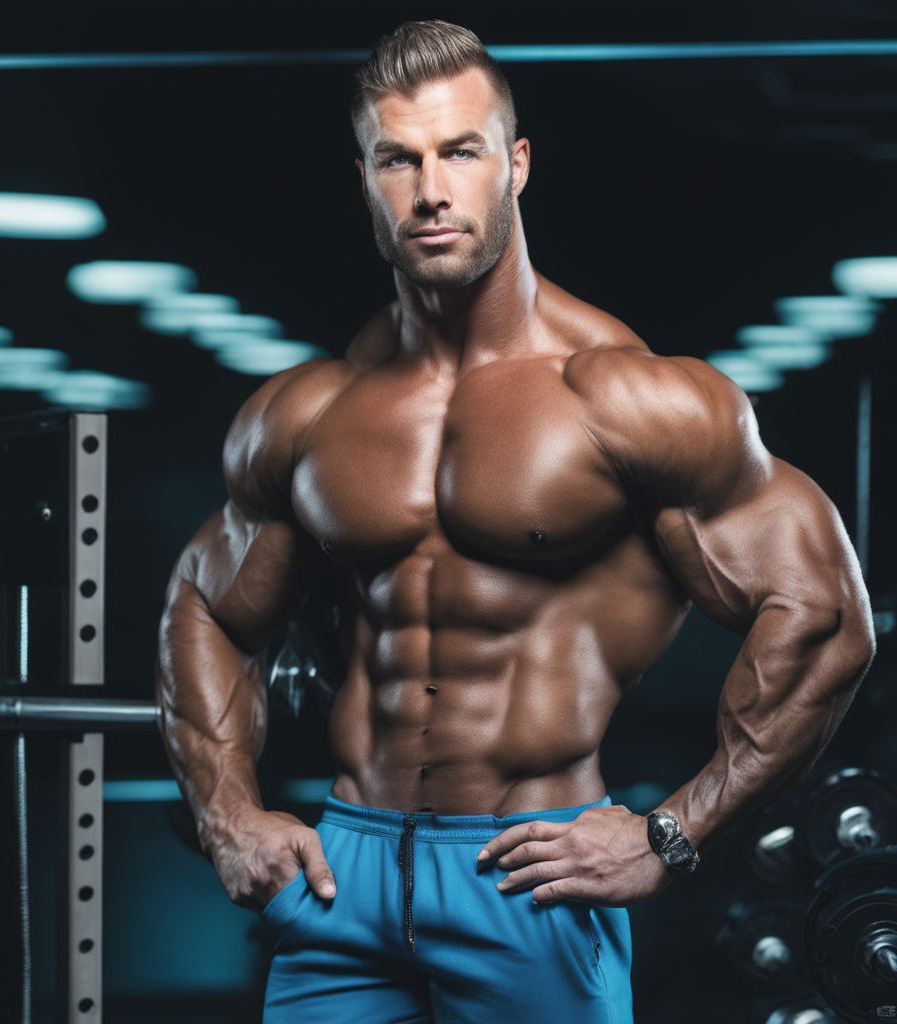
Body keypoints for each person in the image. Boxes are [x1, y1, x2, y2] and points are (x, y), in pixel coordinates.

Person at [155, 20, 875, 1024]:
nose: (431, 190)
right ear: (364, 175)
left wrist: (672, 833)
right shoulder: (311, 412)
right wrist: (226, 812)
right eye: (398, 160)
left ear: (515, 163)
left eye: (460, 152)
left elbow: (823, 615)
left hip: (528, 871)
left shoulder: (623, 398)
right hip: (340, 874)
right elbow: (206, 603)